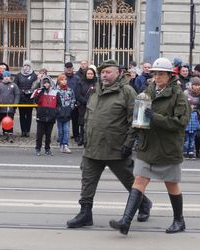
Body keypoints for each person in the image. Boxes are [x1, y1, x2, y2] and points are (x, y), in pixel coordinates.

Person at [66, 59, 152, 229]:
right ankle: (85, 213)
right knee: (87, 180)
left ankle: (143, 204)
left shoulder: (127, 92)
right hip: (93, 146)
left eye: (108, 72)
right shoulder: (96, 90)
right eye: (102, 72)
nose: (104, 75)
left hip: (117, 148)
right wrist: (86, 137)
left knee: (129, 180)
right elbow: (90, 116)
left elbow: (136, 120)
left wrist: (129, 143)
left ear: (118, 73)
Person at [109, 57, 190, 235]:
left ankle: (179, 220)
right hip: (148, 146)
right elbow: (138, 121)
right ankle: (126, 221)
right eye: (155, 74)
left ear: (170, 75)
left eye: (161, 74)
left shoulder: (178, 95)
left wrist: (156, 117)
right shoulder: (148, 91)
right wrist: (129, 142)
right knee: (139, 180)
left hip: (167, 148)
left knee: (171, 184)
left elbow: (180, 123)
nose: (157, 77)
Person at [31, 76, 60, 156]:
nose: (46, 84)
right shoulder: (39, 91)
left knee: (48, 135)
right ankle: (38, 148)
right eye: (45, 83)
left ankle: (47, 148)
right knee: (39, 134)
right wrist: (41, 91)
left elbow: (59, 104)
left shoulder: (55, 92)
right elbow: (35, 101)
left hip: (51, 116)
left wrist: (55, 112)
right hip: (41, 115)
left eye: (48, 83)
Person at [0, 71, 20, 143]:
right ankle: (5, 135)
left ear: (10, 77)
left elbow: (17, 95)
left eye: (8, 76)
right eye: (5, 76)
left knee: (10, 121)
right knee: (4, 122)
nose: (6, 78)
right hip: (1, 108)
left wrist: (15, 104)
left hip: (10, 108)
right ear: (3, 77)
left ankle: (10, 135)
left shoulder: (14, 85)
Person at [14, 60, 37, 137]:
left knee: (29, 115)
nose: (26, 67)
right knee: (22, 115)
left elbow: (36, 86)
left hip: (30, 99)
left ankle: (28, 131)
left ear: (30, 67)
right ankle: (23, 131)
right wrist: (21, 92)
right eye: (25, 65)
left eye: (27, 65)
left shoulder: (34, 75)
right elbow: (15, 86)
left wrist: (30, 91)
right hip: (21, 99)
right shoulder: (18, 75)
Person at [76, 67, 97, 146]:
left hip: (94, 107)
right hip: (83, 106)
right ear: (86, 74)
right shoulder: (80, 82)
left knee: (92, 123)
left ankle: (91, 139)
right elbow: (78, 94)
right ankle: (82, 138)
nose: (90, 75)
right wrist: (86, 102)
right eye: (88, 74)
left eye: (91, 74)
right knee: (82, 122)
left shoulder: (97, 83)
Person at [183, 77, 200, 159]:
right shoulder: (185, 93)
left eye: (198, 85)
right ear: (191, 85)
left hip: (198, 115)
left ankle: (197, 151)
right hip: (188, 115)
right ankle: (185, 151)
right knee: (187, 135)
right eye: (195, 85)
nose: (196, 87)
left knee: (197, 134)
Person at [56, 74, 76, 153]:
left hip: (67, 112)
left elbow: (73, 100)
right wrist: (57, 109)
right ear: (59, 81)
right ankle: (61, 144)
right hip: (59, 113)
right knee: (60, 130)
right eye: (62, 79)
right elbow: (55, 102)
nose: (64, 81)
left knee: (66, 130)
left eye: (65, 79)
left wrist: (70, 108)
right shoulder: (56, 90)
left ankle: (65, 144)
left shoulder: (70, 90)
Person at [64, 62, 80, 142]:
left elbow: (78, 90)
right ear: (65, 68)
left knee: (75, 120)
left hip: (74, 102)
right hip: (64, 103)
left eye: (70, 67)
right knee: (64, 120)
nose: (69, 69)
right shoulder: (62, 77)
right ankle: (62, 136)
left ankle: (76, 135)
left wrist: (77, 101)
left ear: (72, 68)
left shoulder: (77, 78)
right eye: (67, 67)